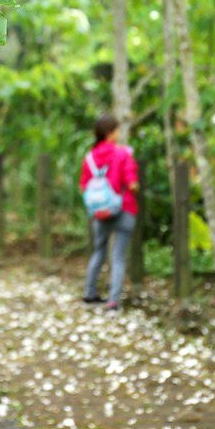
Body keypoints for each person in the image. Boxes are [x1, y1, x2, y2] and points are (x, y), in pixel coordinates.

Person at [80, 114, 139, 311]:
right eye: (117, 130)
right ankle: (113, 301)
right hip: (124, 209)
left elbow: (84, 186)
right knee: (118, 256)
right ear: (110, 133)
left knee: (98, 251)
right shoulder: (123, 154)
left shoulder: (89, 158)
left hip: (99, 212)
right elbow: (132, 183)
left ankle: (89, 293)